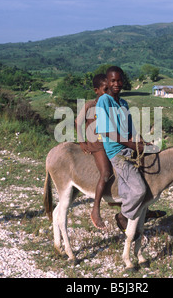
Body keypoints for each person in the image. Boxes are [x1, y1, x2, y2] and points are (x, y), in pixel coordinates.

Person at [95, 66, 149, 234]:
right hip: (117, 151)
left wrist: (141, 141)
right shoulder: (104, 100)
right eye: (113, 81)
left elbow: (131, 129)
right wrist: (132, 145)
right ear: (108, 82)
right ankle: (123, 215)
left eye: (119, 80)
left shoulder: (123, 103)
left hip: (128, 147)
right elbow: (107, 131)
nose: (116, 84)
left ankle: (137, 214)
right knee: (140, 189)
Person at [75, 74, 112, 230]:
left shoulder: (111, 104)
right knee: (105, 173)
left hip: (111, 142)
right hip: (97, 144)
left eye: (109, 89)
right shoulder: (90, 105)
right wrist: (82, 141)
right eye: (105, 89)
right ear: (96, 91)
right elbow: (78, 122)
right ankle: (95, 209)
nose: (108, 92)